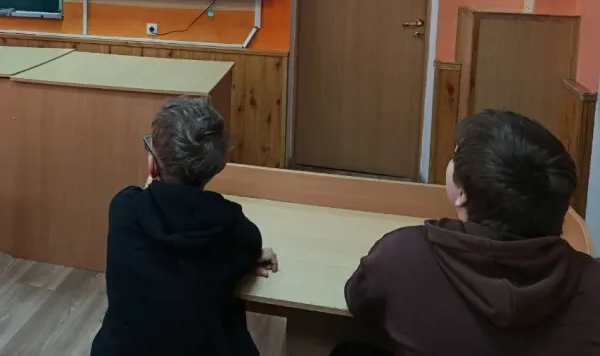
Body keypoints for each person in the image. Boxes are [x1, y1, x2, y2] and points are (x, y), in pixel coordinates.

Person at [339, 110, 600, 356]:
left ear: (462, 194)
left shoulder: (404, 255)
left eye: (455, 157)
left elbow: (360, 301)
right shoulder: (591, 283)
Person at [91, 97, 278, 356]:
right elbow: (248, 246)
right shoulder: (233, 228)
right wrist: (247, 259)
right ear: (220, 165)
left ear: (153, 164)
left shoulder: (124, 208)